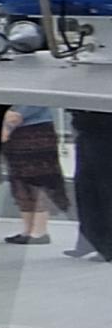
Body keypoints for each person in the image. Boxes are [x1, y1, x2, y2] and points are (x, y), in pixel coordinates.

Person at [3, 99, 71, 245]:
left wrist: (12, 119)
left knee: (40, 177)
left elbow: (35, 101)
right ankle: (28, 229)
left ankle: (40, 230)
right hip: (13, 131)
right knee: (18, 179)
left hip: (36, 128)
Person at [70, 109, 112, 262]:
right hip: (87, 130)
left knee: (105, 190)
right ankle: (88, 240)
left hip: (105, 131)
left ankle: (107, 246)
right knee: (85, 189)